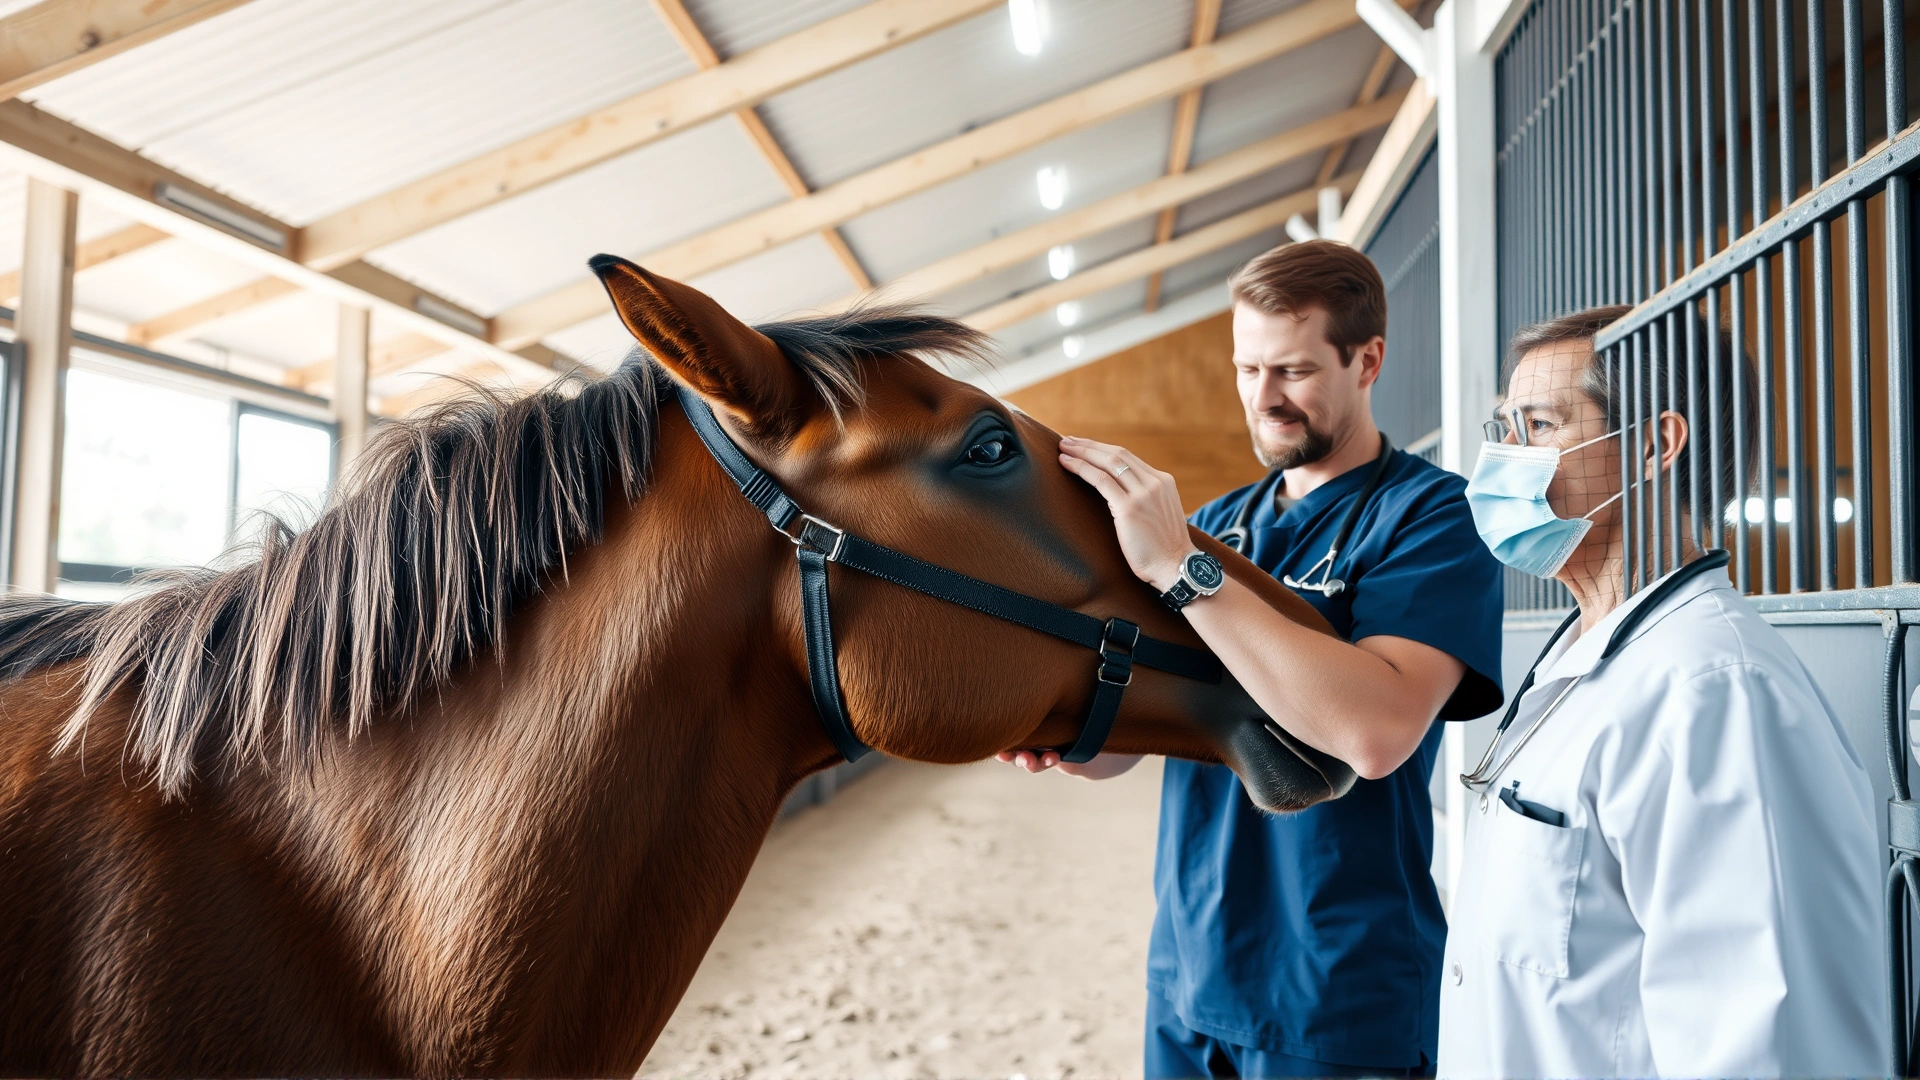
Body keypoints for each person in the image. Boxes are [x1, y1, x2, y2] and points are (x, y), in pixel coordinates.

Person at [1003, 240, 1505, 1077]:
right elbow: (1132, 742)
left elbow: (1376, 734)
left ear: (1368, 358)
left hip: (1335, 989)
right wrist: (1062, 733)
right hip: (1190, 973)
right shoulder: (1213, 523)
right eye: (1246, 370)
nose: (1263, 400)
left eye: (1294, 371)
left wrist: (1178, 570)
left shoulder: (1431, 516)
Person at [1438, 306, 1883, 1077]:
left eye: (1539, 425)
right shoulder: (1584, 655)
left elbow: (1765, 1047)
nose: (1503, 458)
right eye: (1503, 426)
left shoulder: (1717, 695)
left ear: (1652, 445)